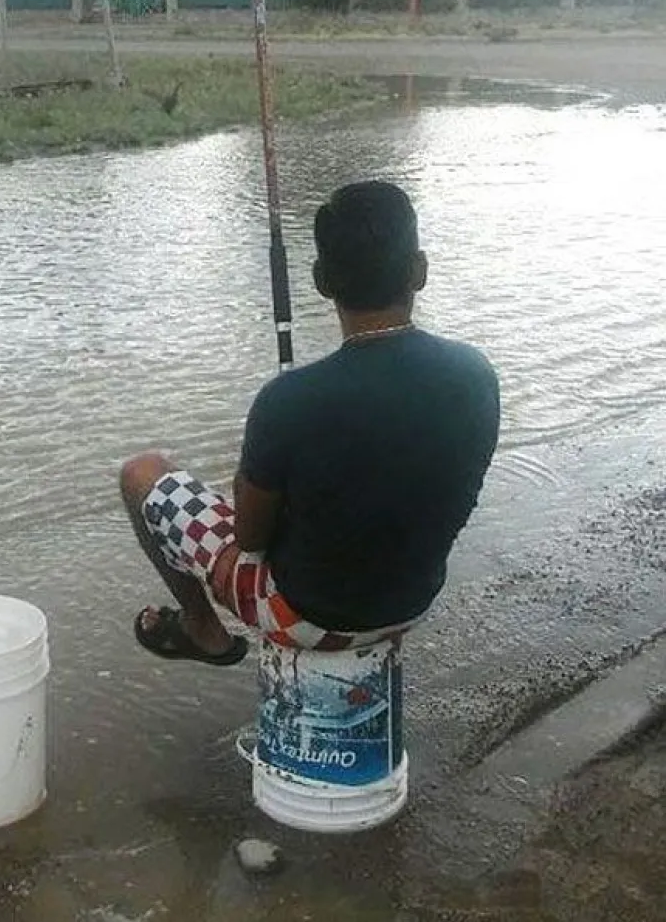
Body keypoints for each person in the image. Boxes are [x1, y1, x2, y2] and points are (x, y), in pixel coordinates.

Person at [120, 181, 500, 666]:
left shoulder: (288, 401)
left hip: (304, 616)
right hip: (412, 604)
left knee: (141, 474)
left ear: (322, 281)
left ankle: (202, 630)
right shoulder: (476, 372)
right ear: (419, 271)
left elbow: (252, 541)